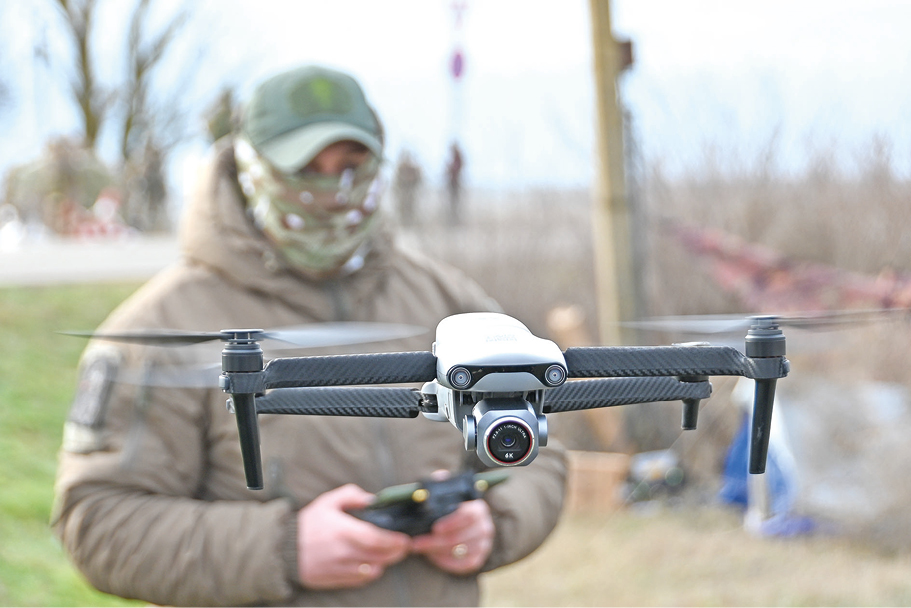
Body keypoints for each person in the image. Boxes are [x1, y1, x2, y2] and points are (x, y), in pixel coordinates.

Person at [52, 64, 566, 606]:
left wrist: (493, 520)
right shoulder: (159, 330)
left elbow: (545, 448)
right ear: (249, 169)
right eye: (303, 168)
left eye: (350, 165)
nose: (330, 190)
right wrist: (284, 548)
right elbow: (98, 520)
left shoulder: (447, 304)